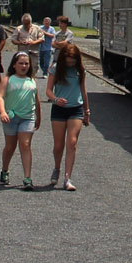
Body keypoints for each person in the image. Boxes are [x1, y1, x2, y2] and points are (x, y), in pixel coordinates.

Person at [45, 40, 90, 189]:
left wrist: (87, 111)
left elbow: (83, 92)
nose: (71, 64)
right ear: (63, 59)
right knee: (58, 146)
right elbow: (48, 91)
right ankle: (57, 168)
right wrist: (56, 100)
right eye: (68, 61)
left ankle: (67, 178)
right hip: (59, 109)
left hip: (75, 109)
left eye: (73, 61)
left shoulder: (80, 71)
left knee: (71, 142)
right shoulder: (56, 69)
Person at [0, 48, 42, 189]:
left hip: (27, 117)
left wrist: (38, 116)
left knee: (25, 144)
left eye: (26, 64)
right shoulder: (8, 80)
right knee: (10, 147)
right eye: (21, 63)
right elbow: (0, 96)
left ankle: (27, 178)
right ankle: (5, 170)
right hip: (11, 117)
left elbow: (36, 99)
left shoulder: (32, 80)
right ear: (14, 65)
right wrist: (3, 112)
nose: (24, 66)